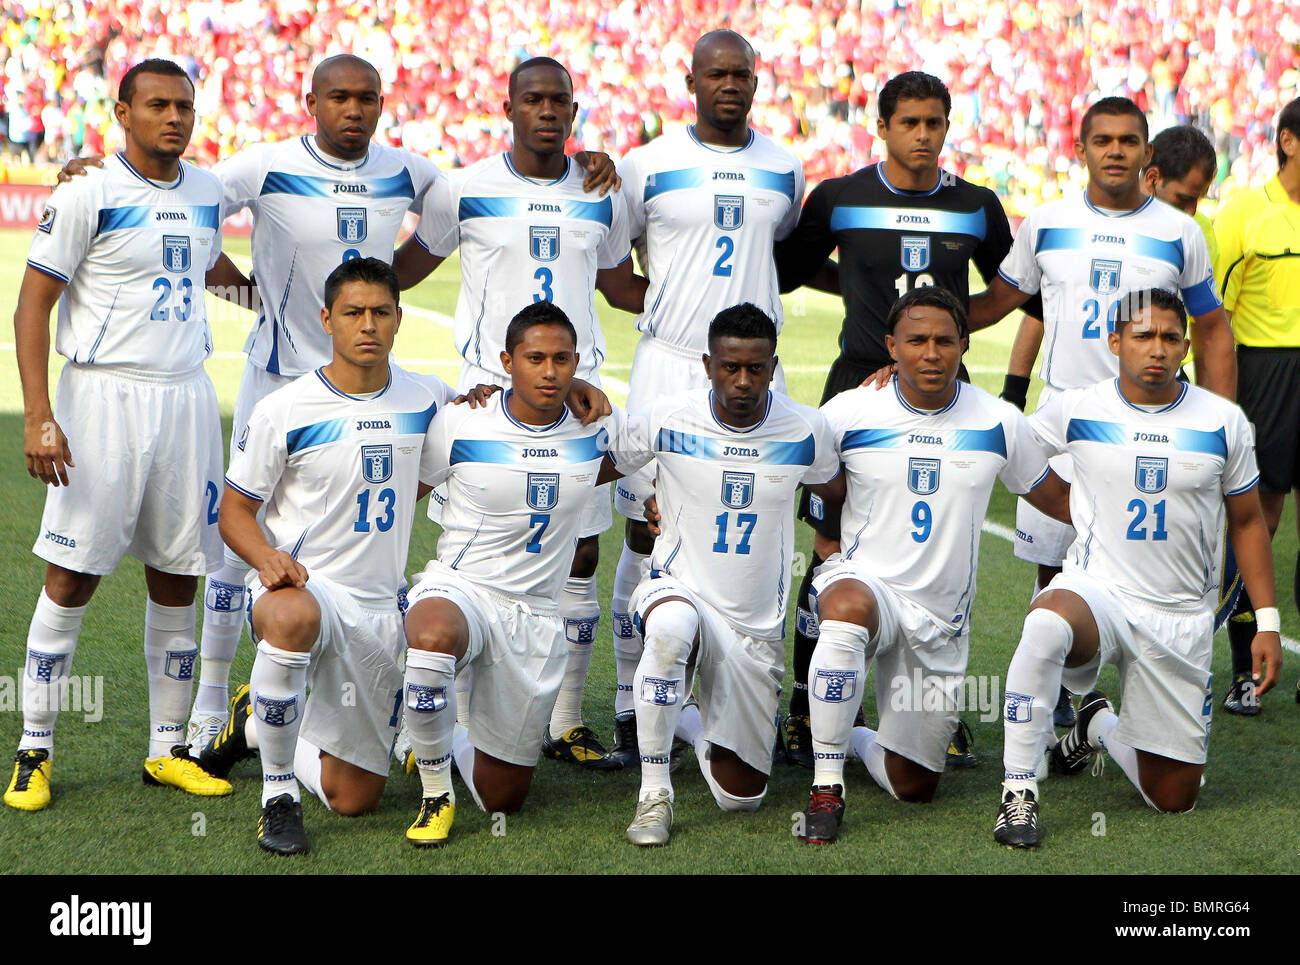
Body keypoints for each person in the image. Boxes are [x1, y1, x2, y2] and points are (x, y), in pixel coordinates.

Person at [774, 70, 1038, 765]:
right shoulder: (838, 197)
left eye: (935, 123)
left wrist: (941, 339)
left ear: (948, 128)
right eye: (910, 122)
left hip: (938, 389)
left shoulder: (977, 206)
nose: (923, 135)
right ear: (882, 127)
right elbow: (791, 270)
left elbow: (1010, 287)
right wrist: (869, 304)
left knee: (944, 552)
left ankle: (929, 708)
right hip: (855, 385)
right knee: (830, 547)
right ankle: (808, 705)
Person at [393, 57, 640, 769]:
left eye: (559, 100)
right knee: (476, 557)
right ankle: (461, 723)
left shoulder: (602, 191)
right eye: (533, 99)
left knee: (580, 551)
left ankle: (564, 719)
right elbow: (404, 273)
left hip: (576, 389)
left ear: (573, 109)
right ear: (509, 106)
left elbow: (621, 286)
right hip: (485, 392)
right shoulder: (463, 188)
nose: (547, 110)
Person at [6, 59, 232, 810]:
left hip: (187, 399)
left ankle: (166, 749)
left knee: (178, 572)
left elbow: (213, 268)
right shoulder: (88, 190)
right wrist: (41, 412)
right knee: (72, 575)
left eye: (184, 106)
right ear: (123, 112)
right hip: (101, 398)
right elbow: (32, 305)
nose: (174, 117)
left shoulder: (205, 190)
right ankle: (33, 747)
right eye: (158, 104)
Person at [970, 97, 1237, 732]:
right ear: (1080, 149)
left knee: (1148, 559)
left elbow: (1213, 327)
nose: (1114, 150)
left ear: (1147, 153)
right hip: (1066, 417)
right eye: (1102, 140)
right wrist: (899, 330)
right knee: (1053, 559)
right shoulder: (1045, 223)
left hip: (1156, 422)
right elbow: (995, 304)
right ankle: (1063, 692)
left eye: (1127, 140)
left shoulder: (1180, 231)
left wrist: (1223, 421)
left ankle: (1143, 693)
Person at [993, 289, 1282, 848]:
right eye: (1144, 335)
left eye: (1170, 338)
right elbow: (1008, 445)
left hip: (1179, 615)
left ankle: (1094, 725)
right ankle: (1019, 792)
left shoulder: (1223, 422)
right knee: (1046, 621)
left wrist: (1266, 621)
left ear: (1186, 347)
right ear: (1115, 341)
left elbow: (1247, 523)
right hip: (1098, 591)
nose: (1157, 348)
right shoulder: (1078, 407)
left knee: (1174, 798)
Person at [200, 258, 462, 854]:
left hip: (376, 605)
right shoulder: (287, 408)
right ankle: (277, 796)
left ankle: (256, 721)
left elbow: (499, 414)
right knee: (292, 620)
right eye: (353, 313)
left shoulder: (428, 398)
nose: (367, 324)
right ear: (327, 320)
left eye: (380, 312)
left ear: (398, 319)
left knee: (355, 799)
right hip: (301, 588)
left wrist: (577, 391)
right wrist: (266, 559)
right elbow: (234, 511)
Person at [796, 288, 1069, 843]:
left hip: (939, 620)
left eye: (944, 340)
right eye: (916, 340)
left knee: (914, 785)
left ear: (964, 345)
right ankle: (827, 787)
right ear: (891, 346)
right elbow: (795, 470)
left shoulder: (998, 421)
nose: (931, 352)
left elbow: (1059, 500)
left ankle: (848, 733)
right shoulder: (850, 410)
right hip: (866, 583)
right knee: (846, 612)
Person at [607, 30, 804, 767]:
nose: (730, 84)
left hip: (754, 375)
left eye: (742, 74)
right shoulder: (646, 166)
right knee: (643, 530)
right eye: (716, 73)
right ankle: (632, 702)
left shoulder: (785, 167)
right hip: (668, 366)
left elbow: (775, 250)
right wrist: (668, 314)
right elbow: (613, 269)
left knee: (753, 530)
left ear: (758, 81)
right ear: (689, 79)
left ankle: (739, 694)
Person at [598, 304, 840, 845]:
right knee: (668, 632)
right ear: (708, 364)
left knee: (742, 797)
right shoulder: (666, 418)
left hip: (753, 627)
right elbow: (590, 460)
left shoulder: (807, 429)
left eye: (756, 368)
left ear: (773, 367)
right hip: (677, 588)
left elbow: (835, 487)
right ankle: (654, 793)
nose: (743, 380)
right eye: (730, 367)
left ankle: (686, 716)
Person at [399, 302, 622, 847]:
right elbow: (404, 496)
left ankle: (438, 731)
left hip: (536, 615)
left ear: (578, 364)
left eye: (562, 360)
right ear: (507, 361)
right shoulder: (461, 420)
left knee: (504, 799)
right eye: (535, 358)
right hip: (462, 587)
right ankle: (434, 792)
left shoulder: (599, 430)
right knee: (432, 636)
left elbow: (673, 446)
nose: (549, 371)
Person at [1213, 96, 1300, 712]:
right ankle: (1246, 668)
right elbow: (1214, 315)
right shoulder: (1246, 211)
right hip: (1266, 374)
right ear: (1289, 141)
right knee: (1257, 524)